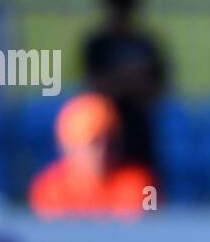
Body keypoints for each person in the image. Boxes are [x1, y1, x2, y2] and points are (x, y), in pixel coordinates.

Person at [82, 0, 168, 174]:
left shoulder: (145, 43)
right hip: (104, 132)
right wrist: (130, 80)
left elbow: (156, 88)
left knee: (141, 191)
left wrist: (120, 82)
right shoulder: (98, 45)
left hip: (140, 134)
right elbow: (93, 86)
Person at [28, 93, 158, 218]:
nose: (104, 150)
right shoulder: (49, 188)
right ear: (69, 146)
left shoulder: (139, 184)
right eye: (94, 142)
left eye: (110, 141)